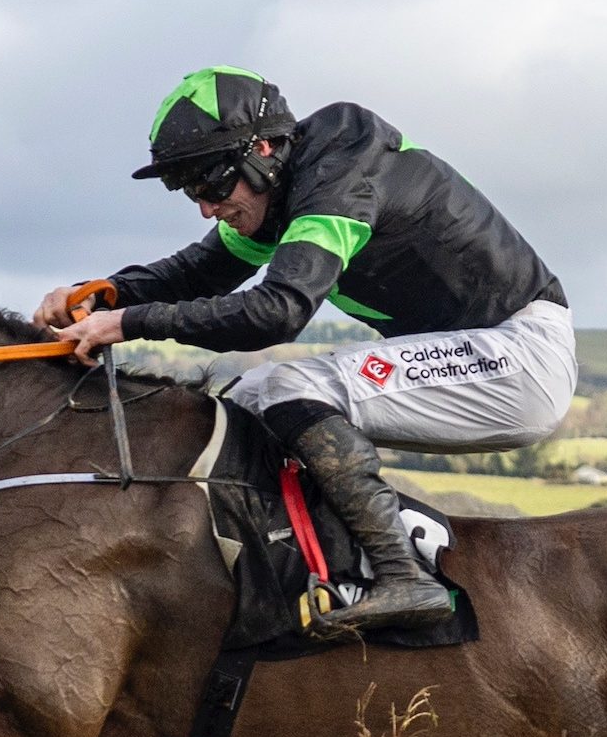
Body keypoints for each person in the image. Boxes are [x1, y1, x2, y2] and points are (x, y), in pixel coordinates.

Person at [35, 66, 577, 634]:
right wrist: (101, 293)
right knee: (241, 399)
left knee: (291, 385)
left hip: (518, 358)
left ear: (262, 149)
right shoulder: (284, 184)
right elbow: (200, 271)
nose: (205, 206)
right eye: (190, 191)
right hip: (477, 350)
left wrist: (128, 322)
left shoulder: (341, 174)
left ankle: (403, 576)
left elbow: (278, 312)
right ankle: (297, 565)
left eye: (212, 185)